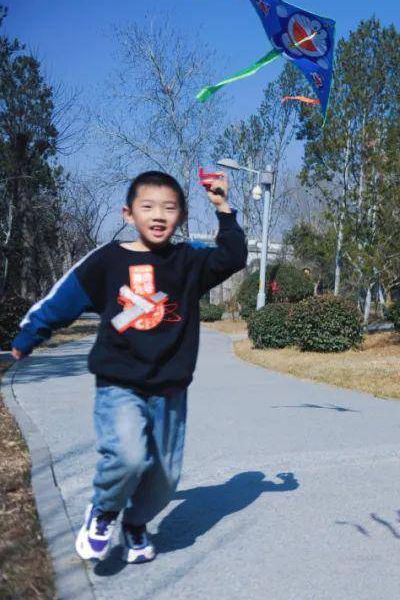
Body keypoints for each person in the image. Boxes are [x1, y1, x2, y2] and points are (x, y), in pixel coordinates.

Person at [10, 170, 247, 564]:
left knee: (165, 479)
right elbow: (64, 298)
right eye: (148, 206)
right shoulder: (108, 260)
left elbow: (233, 256)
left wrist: (223, 208)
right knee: (128, 456)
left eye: (169, 208)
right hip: (119, 382)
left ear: (182, 217)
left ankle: (135, 523)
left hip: (170, 388)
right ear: (128, 214)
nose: (158, 215)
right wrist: (30, 335)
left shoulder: (188, 262)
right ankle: (104, 511)